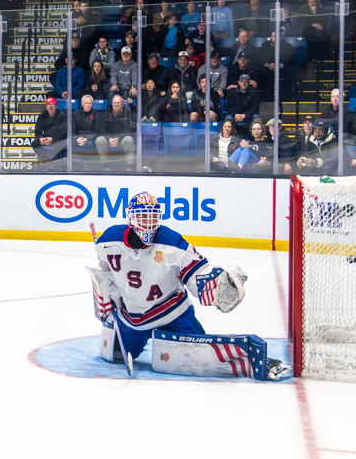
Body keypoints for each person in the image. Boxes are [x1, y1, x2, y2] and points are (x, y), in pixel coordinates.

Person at [89, 192, 285, 380]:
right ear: (130, 218)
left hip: (172, 314)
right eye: (142, 216)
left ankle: (255, 362)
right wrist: (107, 292)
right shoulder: (108, 241)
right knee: (114, 357)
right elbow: (106, 272)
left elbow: (197, 270)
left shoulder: (171, 241)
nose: (148, 222)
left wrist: (212, 283)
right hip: (132, 319)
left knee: (202, 359)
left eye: (152, 216)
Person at [95, 95, 135, 168]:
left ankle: (130, 165)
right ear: (112, 103)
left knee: (129, 139)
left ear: (122, 104)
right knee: (99, 139)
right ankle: (105, 164)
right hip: (109, 140)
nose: (116, 105)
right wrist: (109, 139)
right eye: (114, 103)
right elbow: (101, 129)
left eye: (118, 103)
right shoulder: (105, 112)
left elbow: (130, 130)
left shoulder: (128, 113)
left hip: (121, 140)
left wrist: (118, 139)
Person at [31, 96, 67, 167]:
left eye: (52, 105)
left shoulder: (62, 115)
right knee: (35, 143)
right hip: (46, 138)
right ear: (46, 107)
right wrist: (40, 138)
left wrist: (53, 139)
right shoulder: (42, 116)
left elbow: (63, 131)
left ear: (56, 106)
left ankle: (54, 163)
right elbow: (37, 130)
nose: (50, 107)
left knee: (60, 143)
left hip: (59, 139)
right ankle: (48, 161)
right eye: (48, 105)